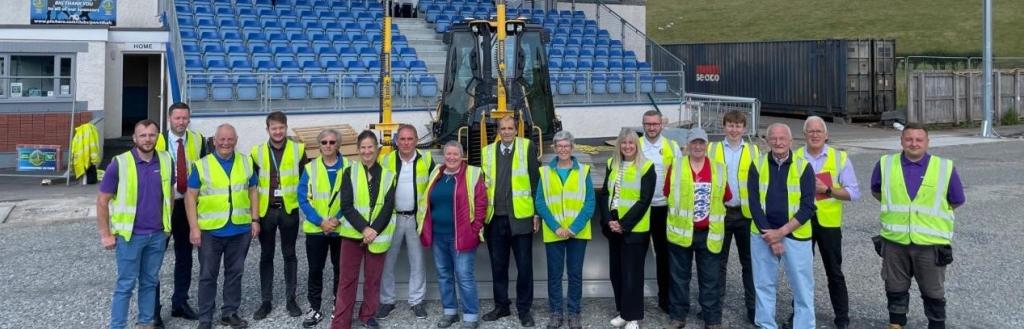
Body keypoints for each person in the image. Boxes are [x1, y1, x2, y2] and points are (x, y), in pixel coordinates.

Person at [871, 123, 964, 329]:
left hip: (930, 244)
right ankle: (896, 325)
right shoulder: (885, 164)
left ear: (927, 143)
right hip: (895, 242)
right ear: (901, 141)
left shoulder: (944, 167)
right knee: (895, 290)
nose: (914, 143)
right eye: (909, 139)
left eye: (919, 139)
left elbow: (957, 199)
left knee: (933, 294)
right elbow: (877, 191)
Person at [96, 119, 173, 329]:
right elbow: (102, 201)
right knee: (125, 285)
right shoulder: (119, 163)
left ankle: (146, 323)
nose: (148, 139)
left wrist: (167, 227)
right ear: (134, 138)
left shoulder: (166, 159)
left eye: (152, 135)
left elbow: (169, 195)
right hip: (130, 236)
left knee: (150, 282)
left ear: (158, 136)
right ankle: (117, 325)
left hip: (157, 235)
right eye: (143, 135)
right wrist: (106, 234)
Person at [185, 124, 260, 329]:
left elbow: (253, 190)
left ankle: (229, 312)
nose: (226, 143)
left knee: (235, 273)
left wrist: (255, 219)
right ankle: (205, 318)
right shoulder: (201, 165)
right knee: (208, 275)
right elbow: (190, 196)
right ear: (214, 141)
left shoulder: (246, 162)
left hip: (239, 229)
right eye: (222, 139)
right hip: (210, 231)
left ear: (236, 140)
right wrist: (194, 227)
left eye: (230, 139)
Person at [746, 123, 817, 329]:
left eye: (782, 138)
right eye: (773, 138)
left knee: (803, 288)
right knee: (764, 285)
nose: (778, 142)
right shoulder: (757, 165)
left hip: (795, 235)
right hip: (763, 235)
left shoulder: (804, 167)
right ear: (767, 141)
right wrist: (770, 234)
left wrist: (781, 233)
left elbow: (807, 207)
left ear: (791, 141)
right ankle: (766, 325)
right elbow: (753, 204)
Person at [793, 116, 861, 329]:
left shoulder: (840, 158)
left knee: (834, 272)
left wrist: (828, 190)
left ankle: (842, 317)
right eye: (810, 131)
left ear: (826, 135)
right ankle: (798, 315)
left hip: (829, 225)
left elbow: (854, 193)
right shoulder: (794, 157)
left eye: (818, 131)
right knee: (801, 272)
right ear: (804, 135)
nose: (814, 135)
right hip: (800, 222)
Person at [663, 128, 731, 329]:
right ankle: (678, 316)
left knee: (710, 279)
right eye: (694, 143)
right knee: (679, 278)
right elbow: (667, 192)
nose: (698, 147)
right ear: (687, 145)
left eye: (702, 143)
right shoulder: (676, 166)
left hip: (709, 233)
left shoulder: (719, 168)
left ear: (707, 145)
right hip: (680, 232)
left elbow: (726, 196)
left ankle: (712, 319)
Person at [417, 141, 488, 329]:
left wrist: (474, 230)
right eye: (448, 154)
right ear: (444, 155)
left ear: (462, 155)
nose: (451, 157)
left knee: (464, 276)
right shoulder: (437, 173)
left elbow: (481, 204)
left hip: (462, 236)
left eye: (455, 154)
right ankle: (450, 312)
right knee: (443, 275)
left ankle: (471, 317)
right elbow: (427, 200)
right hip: (438, 235)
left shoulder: (472, 174)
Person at [331, 130, 397, 329]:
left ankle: (367, 315)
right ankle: (341, 321)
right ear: (358, 150)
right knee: (347, 280)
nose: (367, 151)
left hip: (377, 235)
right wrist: (364, 229)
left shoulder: (388, 175)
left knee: (373, 279)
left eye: (370, 147)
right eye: (363, 147)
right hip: (353, 234)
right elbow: (346, 205)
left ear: (376, 149)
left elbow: (388, 206)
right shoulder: (349, 172)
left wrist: (374, 230)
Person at [480, 115, 540, 326]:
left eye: (510, 128)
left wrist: (536, 213)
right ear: (498, 130)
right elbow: (482, 187)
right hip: (494, 219)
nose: (506, 132)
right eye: (503, 128)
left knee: (524, 267)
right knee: (498, 266)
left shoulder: (527, 147)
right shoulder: (487, 152)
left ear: (517, 130)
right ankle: (501, 306)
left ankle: (524, 310)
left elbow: (535, 182)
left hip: (521, 218)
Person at [534, 131, 595, 329]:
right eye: (559, 146)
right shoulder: (545, 172)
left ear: (572, 148)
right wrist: (557, 227)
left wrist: (573, 228)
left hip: (577, 233)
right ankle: (556, 313)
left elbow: (590, 203)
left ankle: (574, 313)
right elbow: (540, 202)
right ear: (554, 148)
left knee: (575, 274)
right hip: (555, 232)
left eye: (566, 146)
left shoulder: (583, 171)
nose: (563, 149)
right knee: (555, 275)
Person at [251, 111, 307, 320]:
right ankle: (266, 301)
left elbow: (304, 181)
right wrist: (254, 217)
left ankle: (290, 299)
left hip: (288, 210)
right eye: (273, 128)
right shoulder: (256, 153)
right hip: (267, 211)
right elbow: (252, 187)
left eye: (281, 127)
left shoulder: (298, 150)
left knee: (290, 254)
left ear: (286, 127)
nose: (277, 131)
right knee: (266, 255)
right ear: (268, 130)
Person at [154, 102, 206, 325]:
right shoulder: (155, 140)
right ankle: (152, 310)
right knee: (154, 260)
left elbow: (204, 170)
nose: (182, 122)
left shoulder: (198, 140)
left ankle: (180, 302)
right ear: (169, 119)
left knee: (185, 257)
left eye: (185, 118)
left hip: (187, 206)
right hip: (162, 207)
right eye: (177, 118)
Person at [599, 128, 656, 329]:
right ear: (619, 145)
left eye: (631, 143)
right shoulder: (612, 164)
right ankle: (622, 311)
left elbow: (644, 200)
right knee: (617, 272)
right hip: (614, 225)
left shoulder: (647, 167)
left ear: (637, 145)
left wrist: (623, 224)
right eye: (623, 143)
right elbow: (606, 194)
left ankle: (633, 317)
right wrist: (608, 221)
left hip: (634, 228)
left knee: (633, 274)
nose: (627, 146)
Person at [377, 124, 435, 320]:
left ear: (417, 141)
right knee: (387, 262)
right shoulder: (385, 160)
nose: (406, 143)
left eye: (410, 139)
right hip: (392, 219)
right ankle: (387, 300)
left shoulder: (426, 159)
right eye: (402, 139)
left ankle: (417, 301)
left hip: (415, 219)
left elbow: (433, 188)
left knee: (417, 262)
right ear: (396, 141)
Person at [707, 110, 759, 324]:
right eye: (730, 125)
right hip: (722, 213)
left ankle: (754, 308)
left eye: (738, 126)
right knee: (718, 263)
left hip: (746, 215)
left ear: (744, 129)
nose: (734, 130)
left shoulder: (754, 150)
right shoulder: (713, 149)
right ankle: (713, 309)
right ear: (724, 127)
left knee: (750, 264)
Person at [297, 129, 349, 327]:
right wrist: (320, 222)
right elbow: (302, 198)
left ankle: (339, 305)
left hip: (340, 228)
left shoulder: (350, 167)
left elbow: (352, 198)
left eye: (332, 142)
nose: (328, 145)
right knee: (315, 269)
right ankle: (315, 308)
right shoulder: (310, 168)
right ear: (319, 145)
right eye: (324, 142)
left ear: (338, 144)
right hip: (316, 229)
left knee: (340, 269)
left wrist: (336, 220)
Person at [636, 110, 680, 313]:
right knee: (637, 256)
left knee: (664, 256)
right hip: (641, 209)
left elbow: (680, 178)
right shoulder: (635, 146)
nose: (651, 127)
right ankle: (635, 301)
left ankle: (665, 300)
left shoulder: (672, 147)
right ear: (643, 125)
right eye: (648, 124)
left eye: (655, 124)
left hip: (664, 209)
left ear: (661, 124)